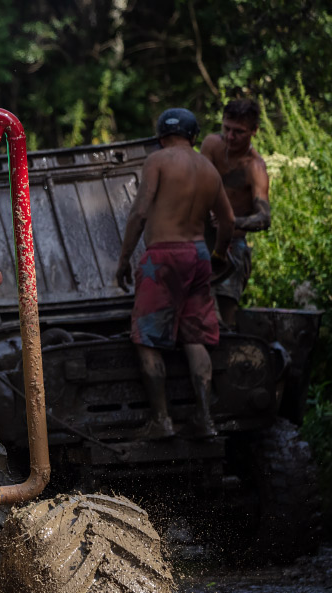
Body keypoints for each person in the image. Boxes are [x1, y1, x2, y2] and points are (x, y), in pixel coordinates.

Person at [115, 108, 234, 439]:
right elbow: (228, 221)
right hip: (198, 256)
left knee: (146, 336)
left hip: (163, 256)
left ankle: (161, 419)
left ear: (160, 136)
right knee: (195, 336)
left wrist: (124, 259)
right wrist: (220, 254)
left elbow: (140, 212)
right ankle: (205, 419)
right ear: (194, 136)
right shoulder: (209, 169)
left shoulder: (159, 160)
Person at [200, 98, 270, 327]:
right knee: (196, 307)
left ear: (254, 131)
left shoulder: (255, 167)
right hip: (200, 240)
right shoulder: (211, 145)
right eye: (226, 128)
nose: (230, 137)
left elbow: (263, 218)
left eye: (238, 132)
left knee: (226, 317)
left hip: (233, 246)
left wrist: (230, 221)